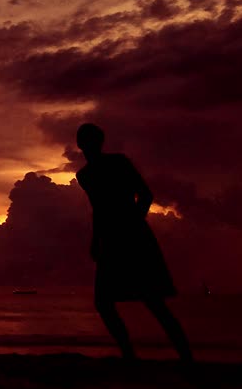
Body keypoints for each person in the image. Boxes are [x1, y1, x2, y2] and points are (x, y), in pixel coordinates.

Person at [75, 123, 192, 362]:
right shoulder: (84, 175)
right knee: (105, 302)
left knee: (152, 301)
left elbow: (145, 194)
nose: (88, 145)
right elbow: (98, 210)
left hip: (133, 237)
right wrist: (96, 240)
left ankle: (185, 356)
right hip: (110, 240)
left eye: (90, 140)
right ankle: (129, 354)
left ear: (98, 142)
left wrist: (131, 224)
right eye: (85, 140)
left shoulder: (119, 162)